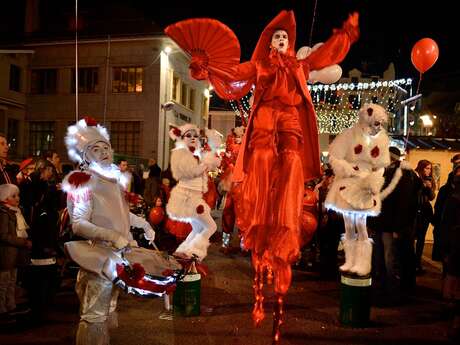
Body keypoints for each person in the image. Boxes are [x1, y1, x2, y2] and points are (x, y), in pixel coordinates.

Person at [166, 11, 359, 332]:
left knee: (293, 163)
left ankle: (285, 214)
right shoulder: (260, 66)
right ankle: (259, 219)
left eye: (285, 38)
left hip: (289, 120)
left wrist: (345, 36)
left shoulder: (299, 65)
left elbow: (324, 56)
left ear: (289, 43)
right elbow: (232, 73)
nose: (281, 40)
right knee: (261, 159)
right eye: (276, 38)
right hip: (267, 118)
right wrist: (206, 68)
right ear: (269, 44)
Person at [62, 117, 156, 345]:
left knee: (107, 311)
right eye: (96, 149)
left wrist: (142, 223)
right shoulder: (83, 182)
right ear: (85, 156)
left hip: (118, 257)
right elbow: (79, 224)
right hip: (97, 258)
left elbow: (119, 214)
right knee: (94, 315)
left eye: (106, 147)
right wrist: (113, 236)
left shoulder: (113, 181)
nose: (104, 152)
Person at [326, 104, 396, 277]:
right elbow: (335, 156)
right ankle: (350, 261)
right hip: (348, 183)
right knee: (348, 225)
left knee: (361, 225)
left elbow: (381, 165)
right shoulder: (349, 135)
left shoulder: (382, 139)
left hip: (365, 185)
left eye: (379, 124)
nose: (377, 128)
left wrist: (373, 180)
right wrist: (348, 169)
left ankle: (363, 263)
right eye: (375, 123)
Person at [369, 146, 421, 304]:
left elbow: (402, 203)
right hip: (381, 222)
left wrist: (398, 227)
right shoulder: (386, 172)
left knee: (389, 259)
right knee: (381, 259)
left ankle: (392, 291)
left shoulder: (402, 174)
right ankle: (383, 288)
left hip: (389, 224)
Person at [166, 124, 221, 261]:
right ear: (182, 138)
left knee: (197, 229)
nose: (192, 138)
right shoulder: (181, 153)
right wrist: (205, 164)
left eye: (195, 136)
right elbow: (189, 173)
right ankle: (193, 252)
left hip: (192, 198)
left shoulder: (193, 153)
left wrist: (212, 152)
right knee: (211, 226)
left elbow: (208, 164)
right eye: (188, 135)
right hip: (188, 198)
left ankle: (183, 252)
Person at [0, 184, 32, 325]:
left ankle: (11, 306)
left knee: (11, 281)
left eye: (17, 195)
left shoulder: (15, 212)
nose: (17, 198)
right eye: (13, 196)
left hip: (15, 254)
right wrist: (22, 242)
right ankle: (2, 310)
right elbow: (3, 235)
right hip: (6, 254)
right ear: (5, 198)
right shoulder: (4, 213)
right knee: (3, 283)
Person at [432, 153, 460, 264]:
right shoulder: (446, 187)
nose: (456, 167)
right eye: (455, 164)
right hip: (446, 227)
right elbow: (439, 206)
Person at [414, 159, 436, 274]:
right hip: (414, 211)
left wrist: (428, 187)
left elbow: (432, 197)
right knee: (412, 237)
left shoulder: (430, 180)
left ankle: (417, 263)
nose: (428, 171)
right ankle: (411, 262)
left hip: (425, 212)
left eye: (430, 169)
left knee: (421, 238)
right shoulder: (415, 177)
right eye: (426, 168)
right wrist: (420, 186)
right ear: (421, 168)